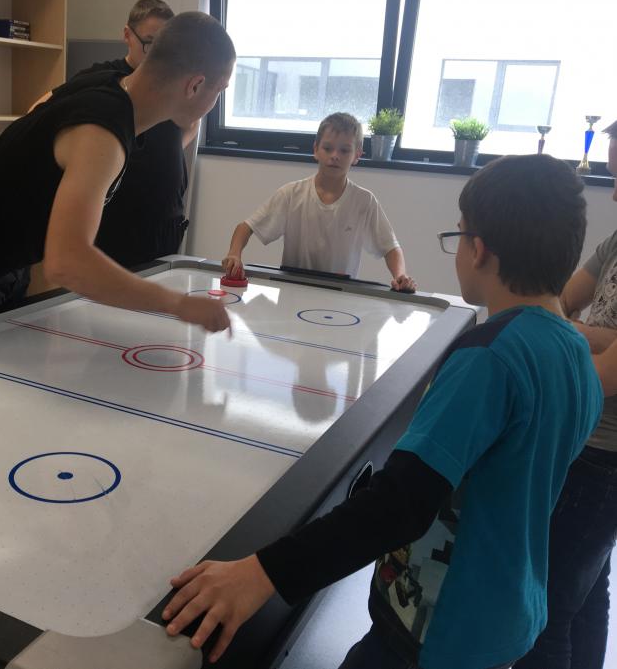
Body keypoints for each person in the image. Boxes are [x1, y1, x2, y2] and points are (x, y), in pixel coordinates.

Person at [162, 153, 602, 669]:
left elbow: (399, 504)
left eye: (458, 235)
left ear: (479, 249)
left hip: (435, 627)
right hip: (506, 613)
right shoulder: (575, 353)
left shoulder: (488, 358)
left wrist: (262, 573)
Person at [0, 12, 234, 332]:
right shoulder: (103, 134)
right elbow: (67, 263)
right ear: (195, 85)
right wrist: (178, 304)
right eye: (219, 91)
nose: (215, 103)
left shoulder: (117, 91)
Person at [516, 118, 617, 669]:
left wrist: (579, 335)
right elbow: (556, 303)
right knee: (587, 595)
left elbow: (602, 378)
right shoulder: (615, 241)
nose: (614, 194)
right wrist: (599, 337)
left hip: (604, 460)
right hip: (586, 442)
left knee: (549, 612)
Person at [31, 0, 196, 269]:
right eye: (150, 43)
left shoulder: (174, 80)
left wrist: (166, 155)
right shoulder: (102, 78)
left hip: (165, 226)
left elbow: (190, 122)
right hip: (117, 228)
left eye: (165, 45)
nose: (158, 55)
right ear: (128, 35)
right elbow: (39, 111)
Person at [221, 112, 417, 292]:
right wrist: (234, 254)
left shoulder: (364, 202)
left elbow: (391, 247)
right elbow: (245, 227)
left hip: (340, 299)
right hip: (292, 293)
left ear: (357, 155)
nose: (335, 156)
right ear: (315, 150)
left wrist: (400, 276)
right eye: (328, 148)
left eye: (344, 150)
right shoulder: (291, 194)